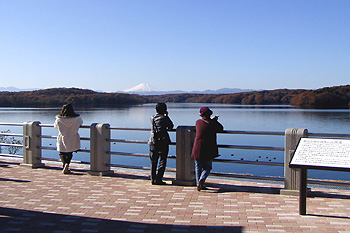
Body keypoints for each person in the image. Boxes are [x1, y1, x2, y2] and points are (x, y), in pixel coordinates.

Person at [191, 106, 223, 191]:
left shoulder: (198, 122)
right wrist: (214, 121)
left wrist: (212, 121)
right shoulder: (213, 124)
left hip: (197, 148)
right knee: (207, 167)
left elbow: (204, 125)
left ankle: (198, 183)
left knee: (198, 167)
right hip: (209, 149)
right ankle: (202, 179)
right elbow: (220, 129)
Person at [148, 103, 174, 185]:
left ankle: (153, 178)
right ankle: (159, 179)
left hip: (152, 141)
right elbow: (171, 126)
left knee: (153, 161)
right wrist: (167, 116)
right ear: (165, 110)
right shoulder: (164, 118)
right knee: (162, 160)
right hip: (162, 141)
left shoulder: (152, 118)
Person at [54, 104, 83, 174]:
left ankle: (64, 164)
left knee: (62, 152)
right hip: (73, 136)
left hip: (62, 136)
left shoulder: (59, 119)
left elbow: (55, 127)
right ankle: (67, 163)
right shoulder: (77, 118)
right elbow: (81, 123)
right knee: (70, 151)